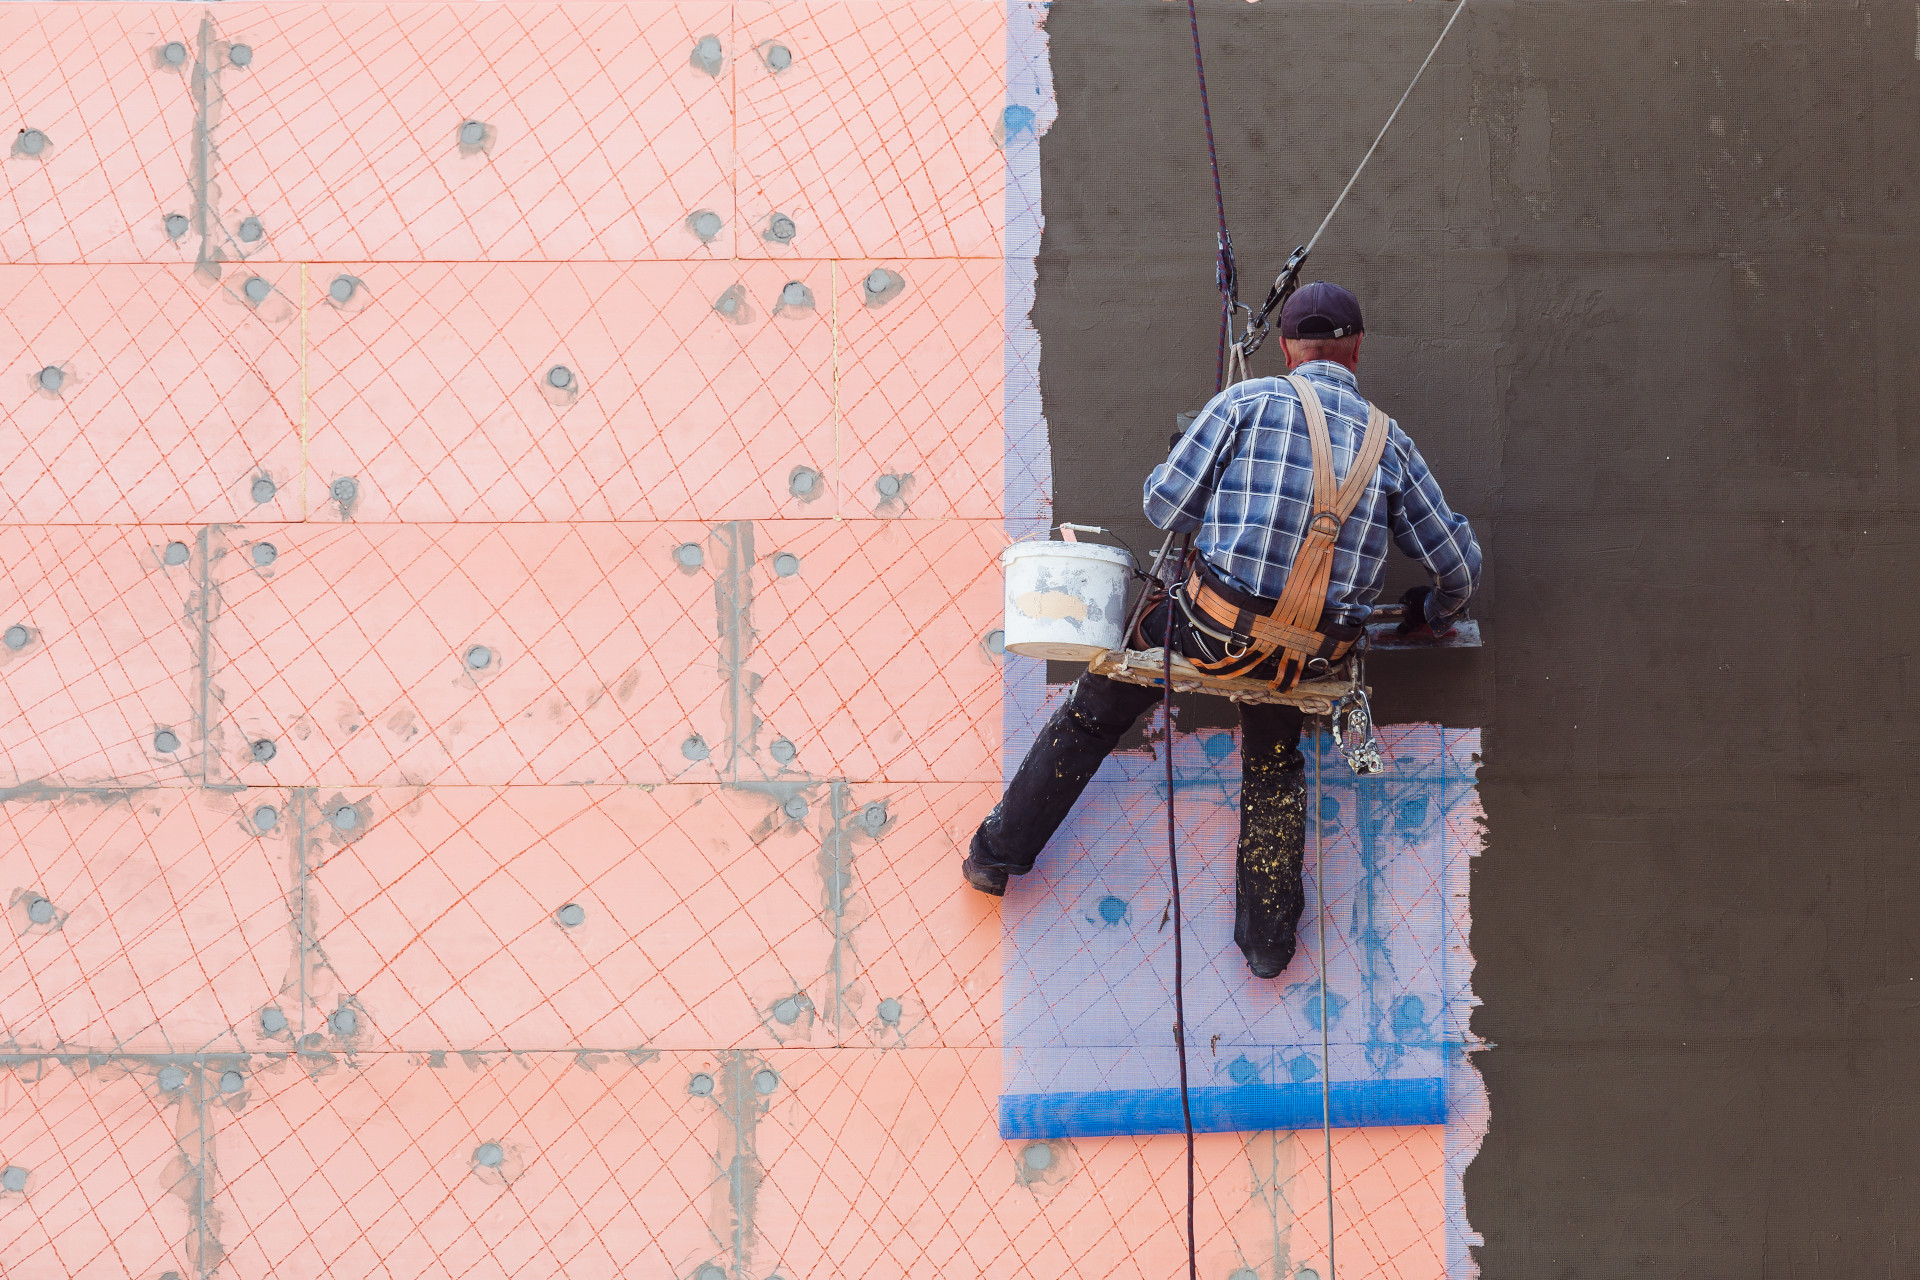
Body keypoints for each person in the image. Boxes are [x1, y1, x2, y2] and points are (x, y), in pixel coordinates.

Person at [962, 282, 1481, 978]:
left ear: (1289, 349)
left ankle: (997, 858)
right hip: (1308, 664)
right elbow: (1461, 567)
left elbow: (1163, 506)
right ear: (1356, 349)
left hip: (1208, 630)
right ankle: (1267, 948)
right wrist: (1431, 617)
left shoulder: (1248, 401)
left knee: (1093, 713)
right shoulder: (1393, 445)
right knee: (1274, 764)